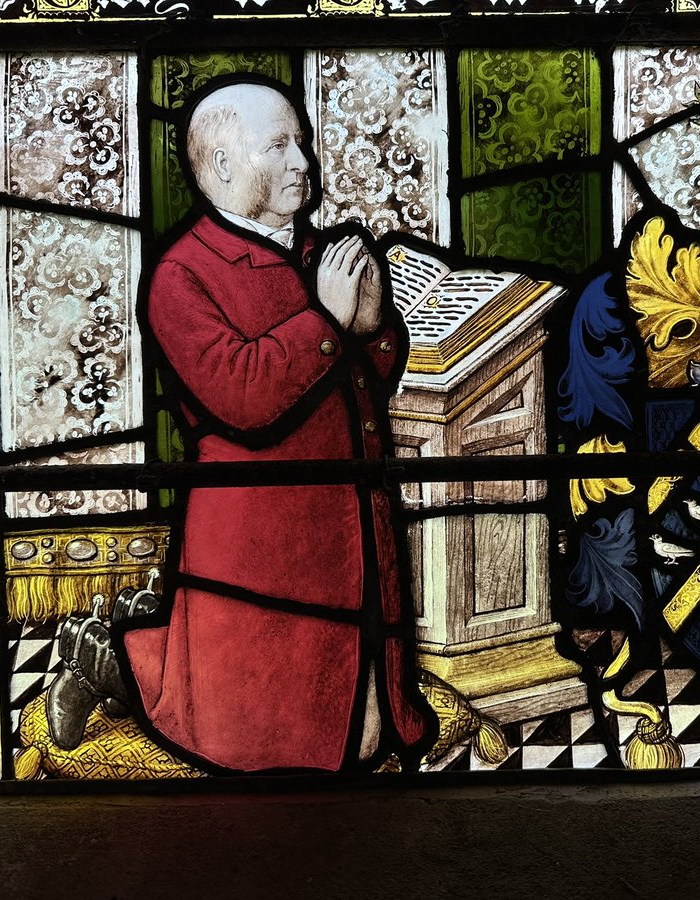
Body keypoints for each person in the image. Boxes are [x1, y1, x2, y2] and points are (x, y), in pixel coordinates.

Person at [46, 78, 432, 773]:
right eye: (278, 146)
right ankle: (107, 659)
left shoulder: (318, 256)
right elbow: (243, 397)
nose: (302, 162)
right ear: (223, 165)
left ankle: (137, 645)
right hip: (263, 542)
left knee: (369, 732)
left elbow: (361, 383)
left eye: (302, 143)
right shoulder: (181, 276)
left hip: (349, 533)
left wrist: (373, 329)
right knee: (264, 740)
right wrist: (327, 320)